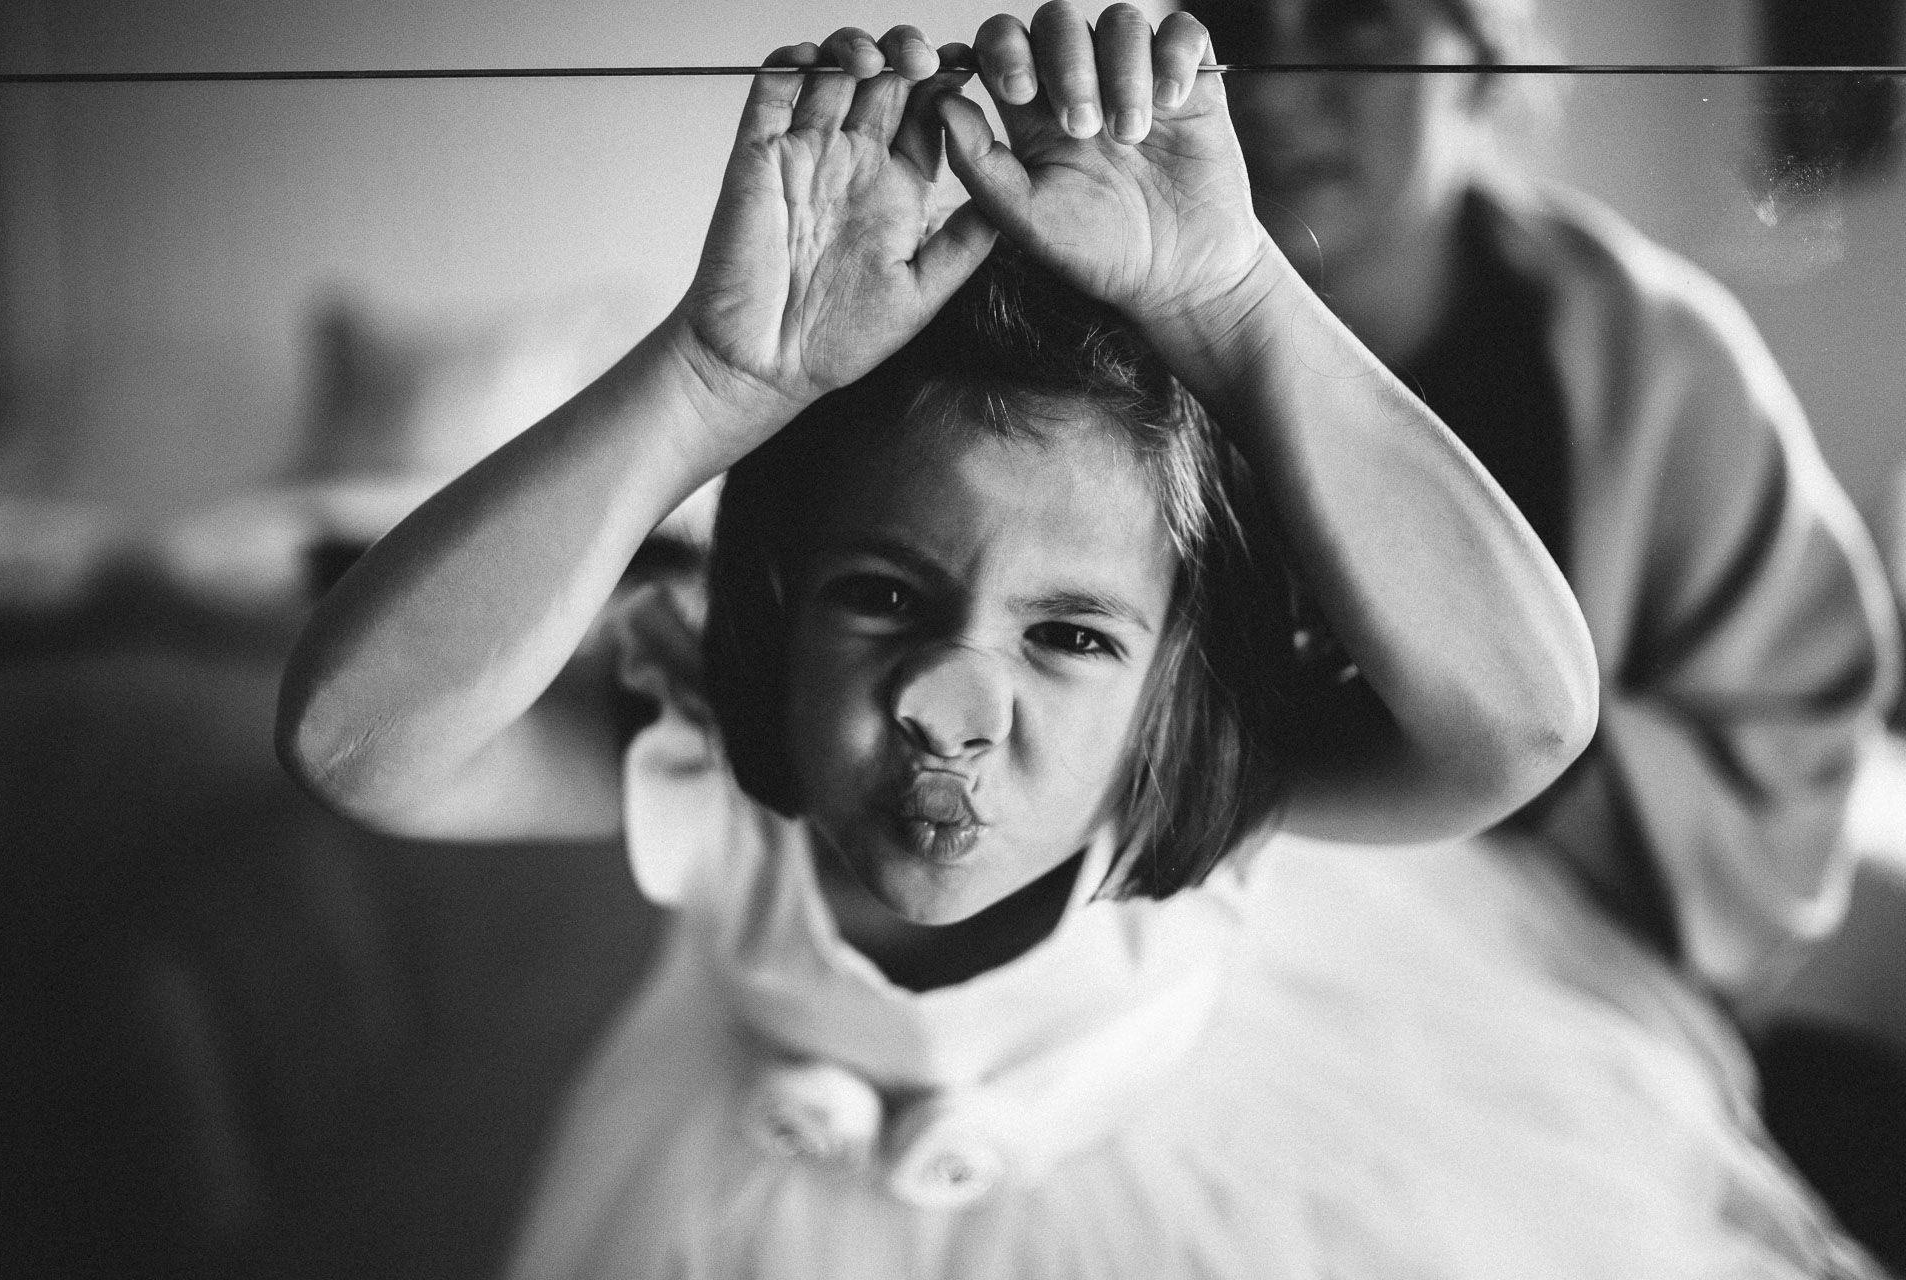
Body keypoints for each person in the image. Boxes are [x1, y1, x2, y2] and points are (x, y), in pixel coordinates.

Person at [277, 7, 1881, 1275]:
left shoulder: (1181, 776)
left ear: (1174, 685)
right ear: (770, 603)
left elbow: (1528, 723)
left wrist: (1237, 298)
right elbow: (356, 738)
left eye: (1069, 635)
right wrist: (711, 387)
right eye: (885, 594)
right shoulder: (724, 760)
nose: (948, 709)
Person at [1186, 0, 1902, 995]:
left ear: (1483, 59)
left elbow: (1789, 773)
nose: (1273, 84)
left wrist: (1506, 749)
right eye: (1232, 24)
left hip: (1555, 972)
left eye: (1357, 25)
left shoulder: (1660, 358)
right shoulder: (1097, 334)